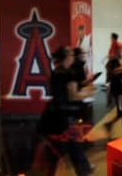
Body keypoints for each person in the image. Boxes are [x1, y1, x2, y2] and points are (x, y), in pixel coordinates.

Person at [37, 46, 95, 176]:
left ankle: (82, 169)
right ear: (67, 56)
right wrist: (88, 93)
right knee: (75, 149)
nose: (74, 56)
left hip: (53, 115)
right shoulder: (70, 73)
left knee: (59, 151)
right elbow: (73, 96)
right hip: (67, 117)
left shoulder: (56, 72)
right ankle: (84, 171)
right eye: (71, 53)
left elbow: (62, 93)